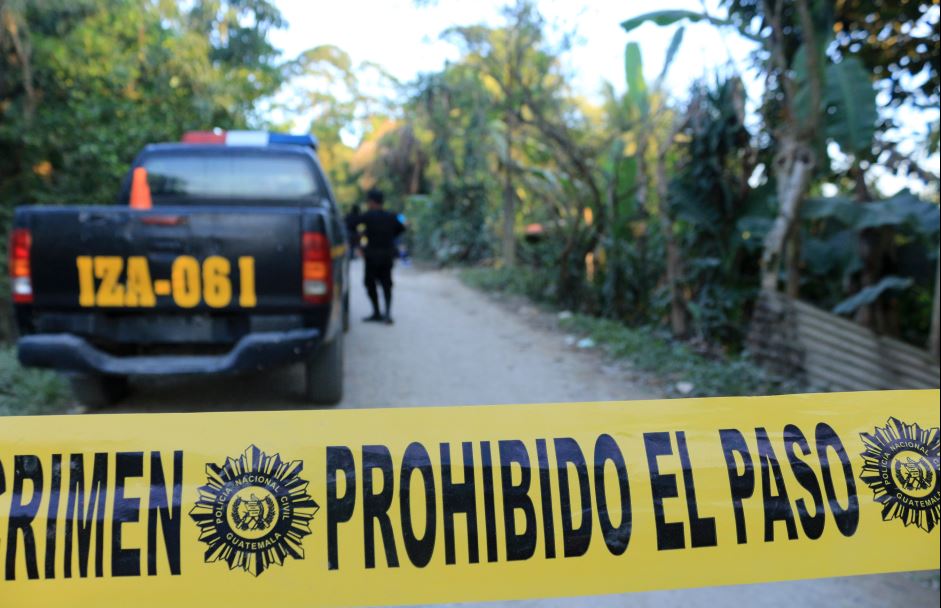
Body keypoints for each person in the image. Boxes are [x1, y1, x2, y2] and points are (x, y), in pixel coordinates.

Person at [358, 188, 404, 324]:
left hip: (372, 256)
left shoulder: (367, 216)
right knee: (386, 284)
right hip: (386, 255)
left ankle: (377, 312)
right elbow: (401, 229)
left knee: (370, 283)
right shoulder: (391, 216)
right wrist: (389, 236)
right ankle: (387, 314)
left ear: (371, 202)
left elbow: (352, 225)